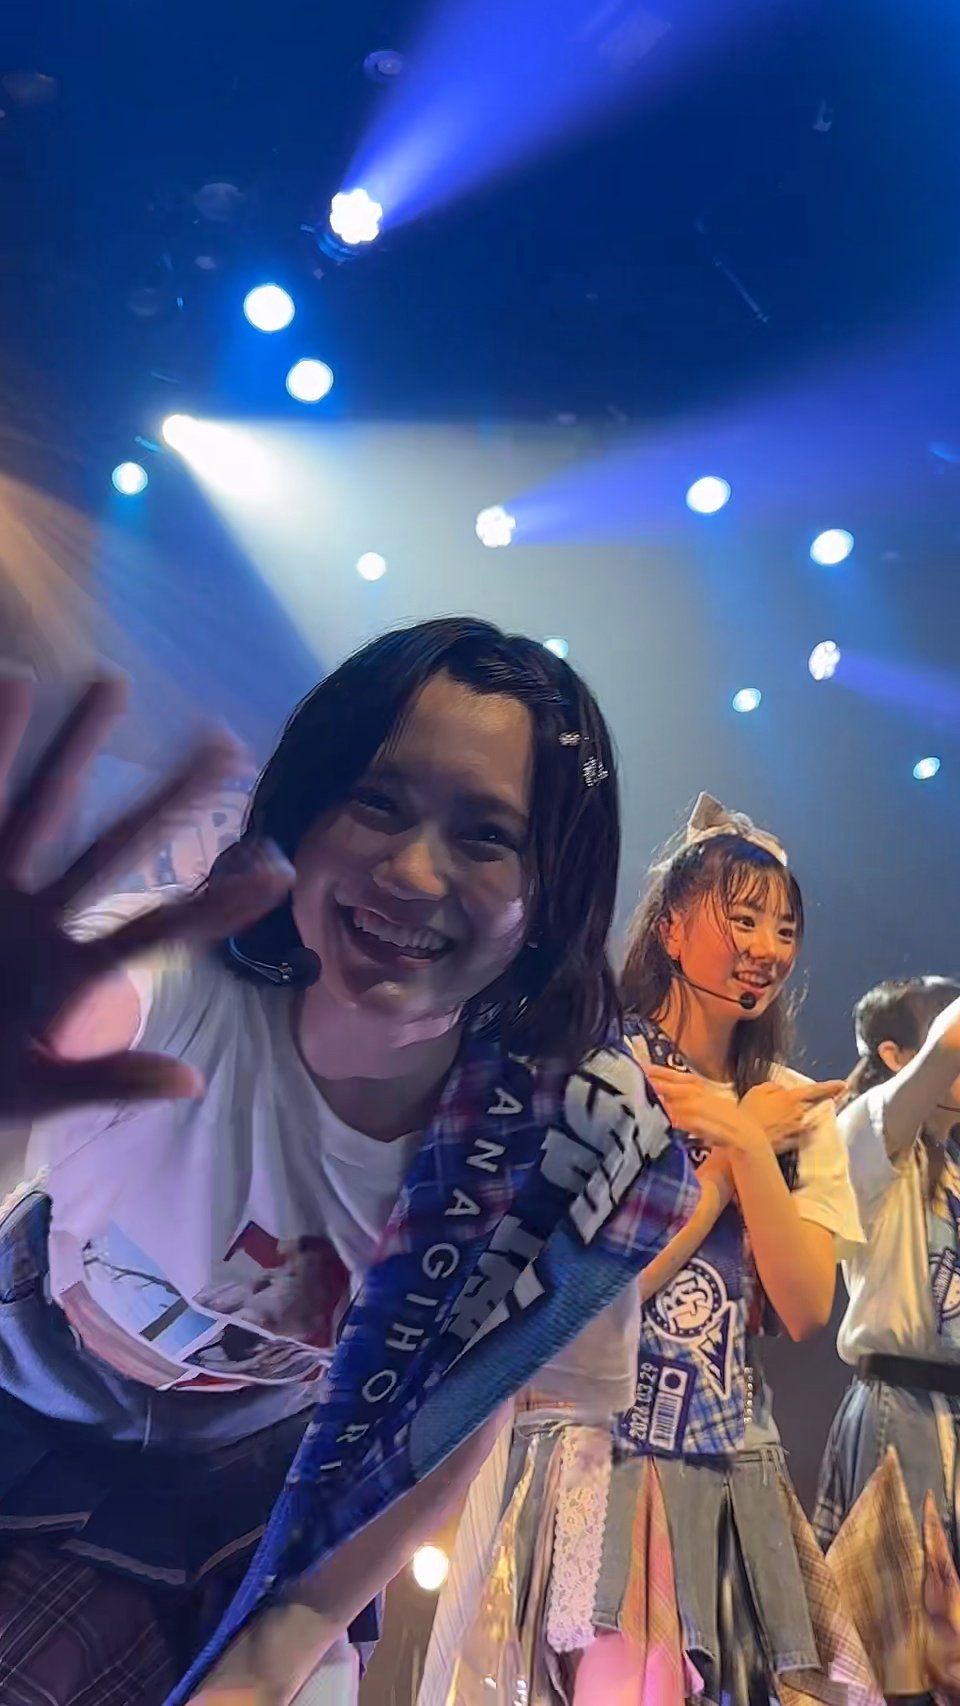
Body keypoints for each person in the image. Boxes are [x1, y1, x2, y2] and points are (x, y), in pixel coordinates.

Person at [0, 621, 695, 1706]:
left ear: (551, 892)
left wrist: (272, 1658)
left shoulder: (561, 1146)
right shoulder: (179, 986)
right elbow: (72, 1020)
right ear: (305, 813)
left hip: (248, 1511)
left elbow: (446, 1428)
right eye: (377, 802)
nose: (412, 872)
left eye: (486, 835)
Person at [421, 793, 877, 1706]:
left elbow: (805, 1307)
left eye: (784, 930)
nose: (766, 949)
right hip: (591, 1447)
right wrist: (725, 1167)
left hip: (731, 1455)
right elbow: (576, 1300)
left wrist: (748, 1141)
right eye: (741, 920)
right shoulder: (595, 1072)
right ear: (670, 926)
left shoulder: (791, 1106)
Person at [814, 976, 960, 1703]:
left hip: (950, 1414)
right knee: (894, 1661)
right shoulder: (868, 1130)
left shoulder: (951, 1166)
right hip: (899, 1409)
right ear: (896, 1055)